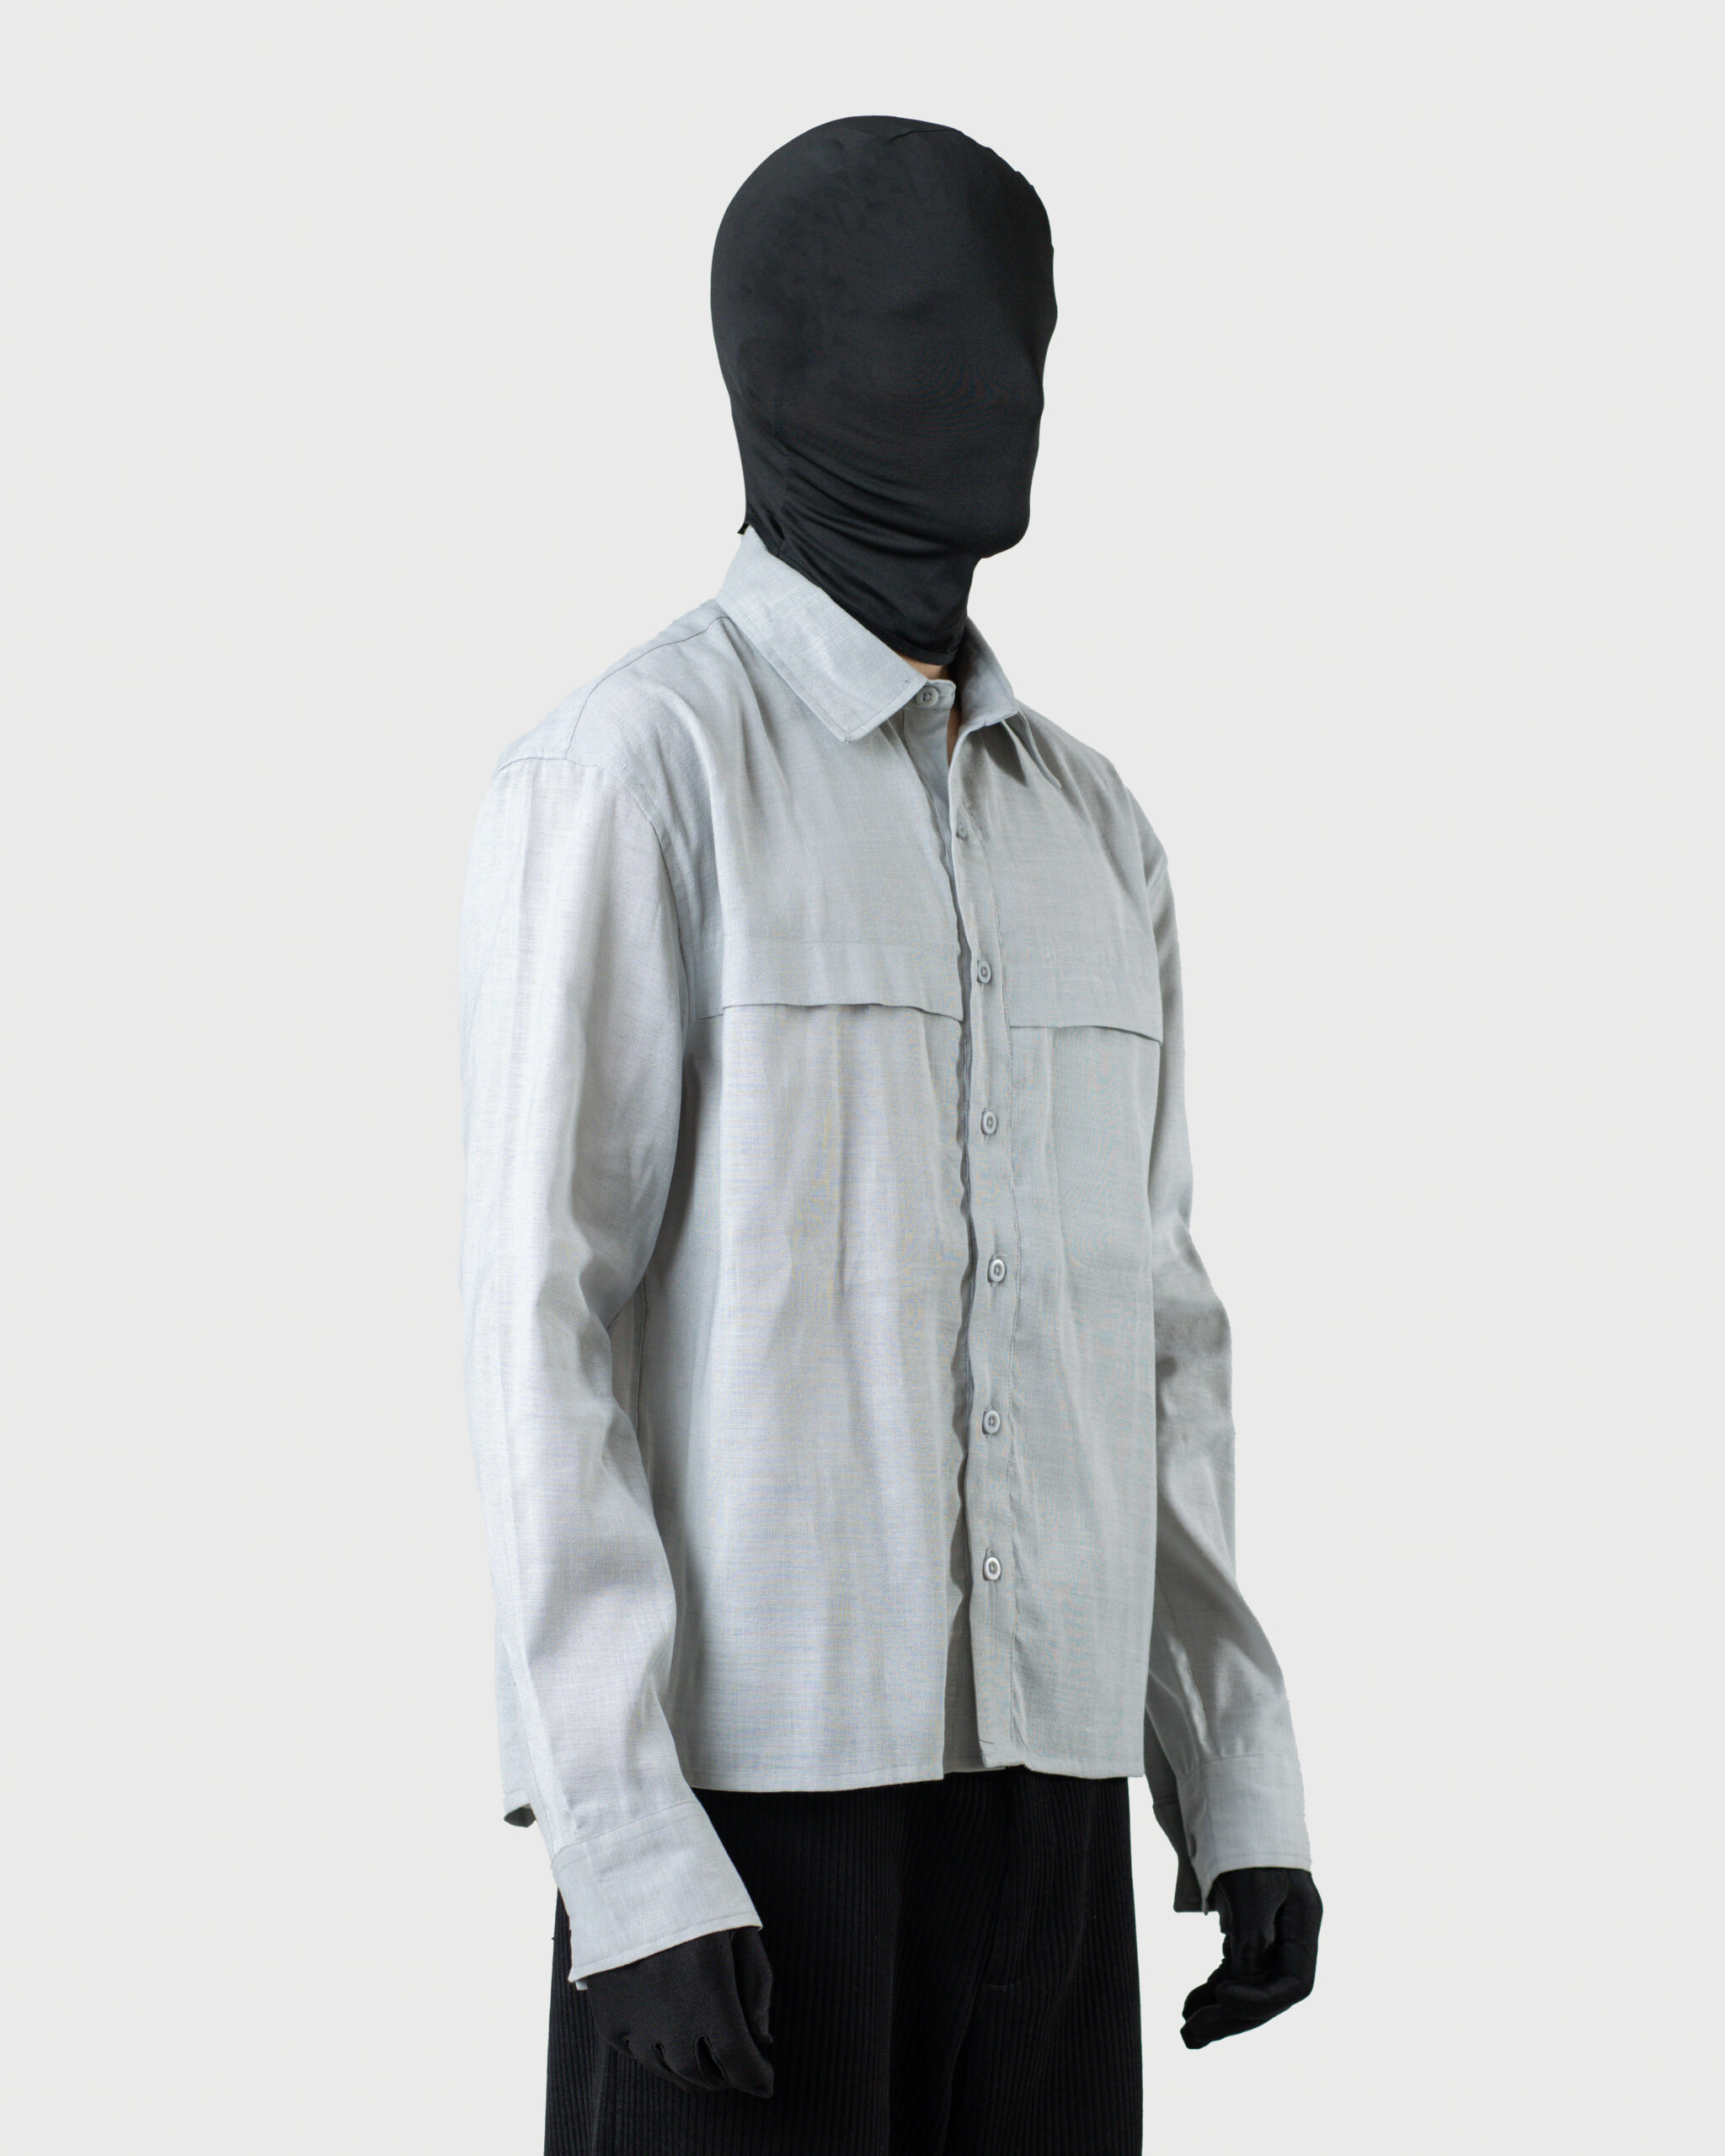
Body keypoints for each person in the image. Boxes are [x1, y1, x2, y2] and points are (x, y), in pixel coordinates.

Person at [458, 115, 1321, 2156]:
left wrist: (1237, 1778)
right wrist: (625, 1846)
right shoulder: (638, 772)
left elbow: (1156, 1334)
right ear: (778, 364)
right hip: (749, 1825)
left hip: (1047, 1811)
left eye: (1030, 325)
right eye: (937, 322)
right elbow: (541, 1322)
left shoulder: (1093, 825)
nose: (1006, 379)